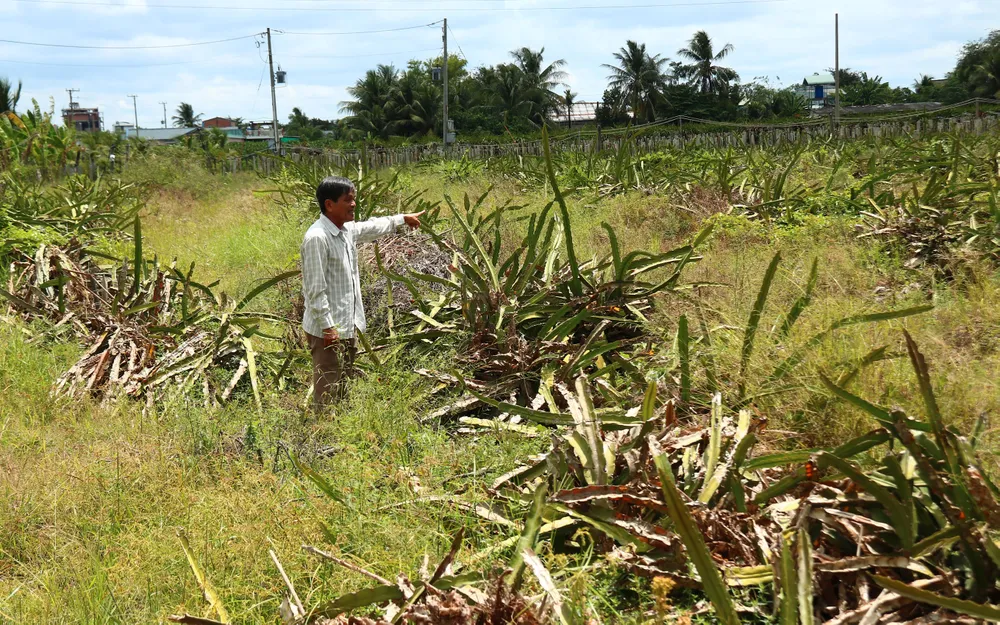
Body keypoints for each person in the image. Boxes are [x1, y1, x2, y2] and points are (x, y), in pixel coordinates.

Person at [301, 176, 423, 411]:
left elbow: (371, 227)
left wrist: (401, 219)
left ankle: (338, 429)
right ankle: (323, 431)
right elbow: (315, 289)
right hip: (328, 329)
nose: (354, 204)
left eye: (354, 199)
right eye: (348, 200)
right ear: (329, 204)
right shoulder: (317, 238)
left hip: (346, 324)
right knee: (327, 383)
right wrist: (328, 328)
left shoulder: (345, 230)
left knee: (342, 382)